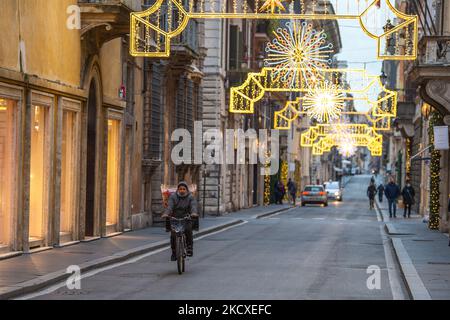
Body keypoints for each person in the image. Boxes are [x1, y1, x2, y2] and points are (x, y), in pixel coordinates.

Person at [161, 182, 199, 261]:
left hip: (186, 217)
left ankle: (189, 248)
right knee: (173, 235)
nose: (182, 191)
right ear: (178, 190)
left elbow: (193, 206)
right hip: (175, 218)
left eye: (184, 189)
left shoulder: (190, 197)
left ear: (186, 190)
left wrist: (194, 213)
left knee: (188, 230)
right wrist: (166, 213)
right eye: (180, 189)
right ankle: (174, 253)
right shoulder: (173, 197)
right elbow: (170, 206)